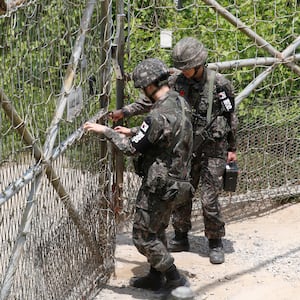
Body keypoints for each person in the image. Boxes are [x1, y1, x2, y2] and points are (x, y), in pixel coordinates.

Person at [110, 37, 238, 265]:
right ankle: (181, 235)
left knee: (209, 199)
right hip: (186, 149)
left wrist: (232, 148)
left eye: (188, 67)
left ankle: (215, 241)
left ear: (200, 63)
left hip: (213, 149)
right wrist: (124, 112)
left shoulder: (219, 84)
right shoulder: (176, 82)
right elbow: (148, 103)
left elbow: (231, 117)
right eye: (182, 67)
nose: (184, 71)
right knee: (181, 194)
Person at [84, 58, 194, 292]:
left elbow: (131, 148)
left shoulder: (155, 116)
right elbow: (166, 132)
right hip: (179, 182)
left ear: (150, 85)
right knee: (157, 229)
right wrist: (134, 130)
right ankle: (156, 277)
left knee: (143, 236)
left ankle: (175, 279)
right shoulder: (180, 102)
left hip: (160, 184)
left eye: (143, 88)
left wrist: (105, 131)